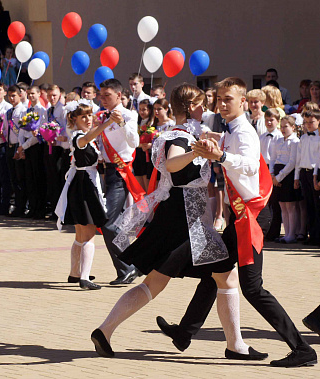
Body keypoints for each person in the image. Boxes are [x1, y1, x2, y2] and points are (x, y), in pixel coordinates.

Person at [92, 83, 266, 361]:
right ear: (190, 107)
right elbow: (173, 164)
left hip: (183, 216)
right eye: (201, 103)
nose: (206, 107)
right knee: (223, 276)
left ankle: (105, 330)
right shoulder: (181, 136)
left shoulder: (187, 132)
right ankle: (236, 346)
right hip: (187, 220)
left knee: (157, 282)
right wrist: (196, 153)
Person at [158, 77, 317, 368]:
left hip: (252, 218)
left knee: (252, 288)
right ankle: (184, 332)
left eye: (227, 99)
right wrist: (214, 146)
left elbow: (250, 165)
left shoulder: (243, 132)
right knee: (215, 269)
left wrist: (221, 155)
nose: (221, 104)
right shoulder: (230, 131)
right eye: (218, 99)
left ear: (243, 102)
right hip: (242, 216)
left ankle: (302, 348)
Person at [55, 100, 108, 290]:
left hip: (82, 183)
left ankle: (74, 273)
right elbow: (84, 140)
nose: (88, 119)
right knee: (88, 233)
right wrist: (107, 123)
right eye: (83, 116)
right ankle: (84, 278)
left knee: (80, 234)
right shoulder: (78, 136)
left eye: (89, 115)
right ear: (74, 119)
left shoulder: (84, 136)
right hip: (84, 185)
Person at [96, 78, 142, 285]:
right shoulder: (103, 116)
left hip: (121, 172)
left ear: (119, 96)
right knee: (107, 222)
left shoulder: (128, 115)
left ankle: (130, 266)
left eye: (108, 95)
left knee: (107, 222)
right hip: (106, 171)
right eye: (101, 95)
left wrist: (122, 123)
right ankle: (127, 268)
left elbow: (135, 142)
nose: (103, 99)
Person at [269, 115, 301, 243]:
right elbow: (273, 158)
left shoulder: (295, 141)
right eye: (281, 127)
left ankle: (292, 234)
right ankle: (286, 233)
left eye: (286, 126)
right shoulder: (278, 140)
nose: (282, 129)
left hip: (287, 175)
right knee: (282, 205)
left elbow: (292, 162)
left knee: (290, 206)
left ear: (293, 127)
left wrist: (279, 177)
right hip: (276, 174)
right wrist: (272, 174)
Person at [17, 85, 47, 218]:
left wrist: (25, 146)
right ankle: (33, 207)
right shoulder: (26, 110)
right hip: (26, 147)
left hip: (36, 147)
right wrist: (21, 146)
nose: (31, 96)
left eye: (33, 93)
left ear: (39, 94)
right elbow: (22, 130)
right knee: (29, 179)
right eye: (29, 94)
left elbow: (40, 133)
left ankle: (40, 209)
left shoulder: (42, 111)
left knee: (38, 178)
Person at [295, 109, 320, 245]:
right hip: (304, 173)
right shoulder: (303, 138)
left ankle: (318, 236)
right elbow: (299, 159)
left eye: (312, 122)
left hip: (315, 172)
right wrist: (296, 177)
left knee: (317, 205)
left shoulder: (319, 137)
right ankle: (312, 235)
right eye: (306, 122)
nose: (309, 125)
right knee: (308, 205)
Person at [45, 84, 69, 219]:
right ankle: (55, 210)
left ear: (59, 95)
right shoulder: (49, 110)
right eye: (49, 95)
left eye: (54, 95)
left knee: (60, 180)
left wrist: (60, 138)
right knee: (52, 179)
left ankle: (62, 212)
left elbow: (66, 128)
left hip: (61, 147)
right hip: (51, 147)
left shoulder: (63, 110)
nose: (52, 98)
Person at [260, 109, 283, 241]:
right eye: (267, 120)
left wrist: (273, 173)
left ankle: (275, 232)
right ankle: (266, 231)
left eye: (272, 120)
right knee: (265, 201)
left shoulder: (280, 137)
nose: (269, 122)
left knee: (275, 202)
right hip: (263, 169)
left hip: (275, 169)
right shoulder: (261, 137)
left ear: (277, 121)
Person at [4, 85, 27, 216]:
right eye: (10, 96)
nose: (12, 98)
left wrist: (21, 148)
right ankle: (15, 205)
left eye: (14, 96)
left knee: (20, 179)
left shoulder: (23, 110)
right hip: (9, 146)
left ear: (20, 95)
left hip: (19, 146)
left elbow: (22, 131)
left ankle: (22, 206)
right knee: (12, 178)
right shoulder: (8, 112)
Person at [134, 100, 154, 191]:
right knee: (138, 179)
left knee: (147, 181)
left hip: (146, 153)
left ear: (150, 110)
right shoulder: (136, 121)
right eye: (140, 109)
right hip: (137, 152)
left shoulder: (152, 123)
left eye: (144, 109)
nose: (141, 112)